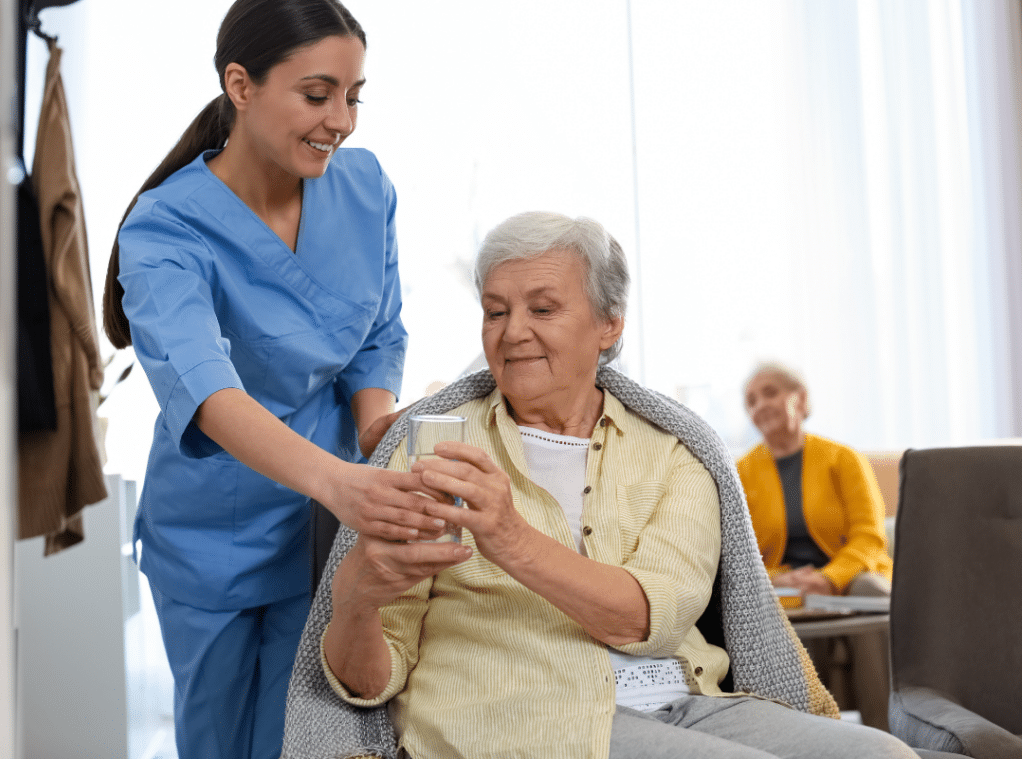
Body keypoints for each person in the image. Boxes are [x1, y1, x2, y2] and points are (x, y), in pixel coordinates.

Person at [307, 212, 916, 759]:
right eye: (496, 311)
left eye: (542, 310)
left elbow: (651, 615)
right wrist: (356, 604)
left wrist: (510, 536)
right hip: (520, 717)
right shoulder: (432, 445)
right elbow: (368, 684)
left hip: (682, 699)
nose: (512, 331)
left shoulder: (676, 452)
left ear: (608, 325)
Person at [101, 2, 447, 757]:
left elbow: (378, 332)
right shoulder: (165, 228)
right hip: (210, 538)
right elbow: (207, 388)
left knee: (311, 737)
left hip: (321, 529)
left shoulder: (364, 188)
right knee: (221, 742)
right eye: (318, 94)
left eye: (355, 96)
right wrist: (340, 481)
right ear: (241, 85)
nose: (343, 121)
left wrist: (376, 428)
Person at [737, 362, 894, 729]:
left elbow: (869, 536)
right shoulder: (742, 472)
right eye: (751, 401)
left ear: (801, 399)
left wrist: (828, 578)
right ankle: (813, 739)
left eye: (771, 392)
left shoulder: (843, 458)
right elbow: (740, 553)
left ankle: (887, 735)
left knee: (870, 591)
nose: (760, 405)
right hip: (784, 588)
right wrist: (782, 580)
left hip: (849, 578)